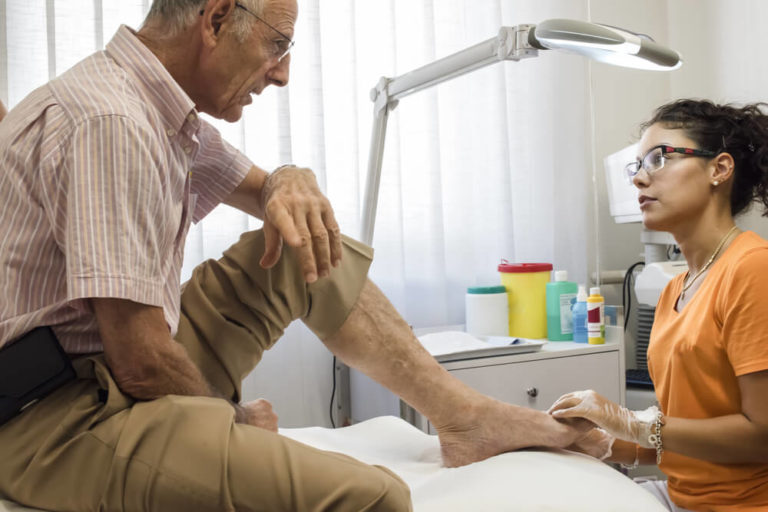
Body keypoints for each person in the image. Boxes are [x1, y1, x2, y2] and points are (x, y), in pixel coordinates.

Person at [0, 1, 590, 510]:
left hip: (111, 359)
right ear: (217, 17)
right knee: (375, 499)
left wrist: (289, 178)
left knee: (294, 244)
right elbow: (142, 362)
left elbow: (267, 189)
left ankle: (466, 417)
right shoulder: (112, 122)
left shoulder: (153, 106)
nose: (281, 74)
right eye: (277, 45)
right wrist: (233, 420)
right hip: (56, 416)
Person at [548, 99, 768, 511]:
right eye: (638, 166)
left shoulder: (753, 269)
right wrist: (607, 444)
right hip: (679, 495)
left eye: (659, 158)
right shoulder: (675, 289)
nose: (639, 179)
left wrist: (632, 422)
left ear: (718, 169)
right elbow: (686, 430)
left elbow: (762, 435)